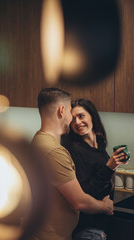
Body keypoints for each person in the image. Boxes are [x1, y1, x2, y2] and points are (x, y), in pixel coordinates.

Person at [31, 88, 114, 240]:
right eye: (70, 111)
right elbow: (79, 202)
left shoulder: (39, 140)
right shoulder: (53, 151)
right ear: (62, 110)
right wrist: (105, 207)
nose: (72, 119)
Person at [62, 99, 128, 240]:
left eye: (81, 116)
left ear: (92, 115)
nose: (77, 122)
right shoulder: (75, 150)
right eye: (73, 119)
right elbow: (84, 192)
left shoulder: (99, 143)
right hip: (88, 228)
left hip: (100, 225)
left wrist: (114, 164)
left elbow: (98, 178)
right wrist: (109, 167)